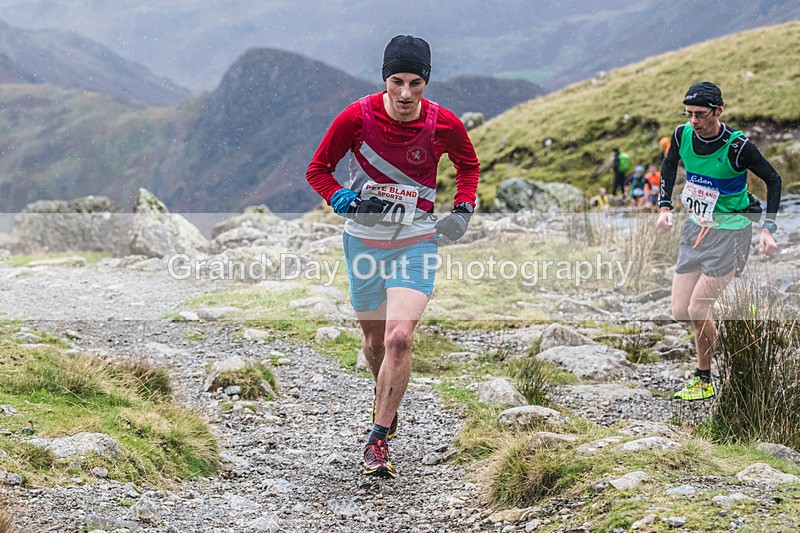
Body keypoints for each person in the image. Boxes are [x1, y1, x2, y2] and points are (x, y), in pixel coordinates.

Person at [306, 35, 480, 477]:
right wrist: (343, 200)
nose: (405, 93)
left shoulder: (444, 123)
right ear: (385, 79)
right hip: (364, 242)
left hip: (416, 240)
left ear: (426, 81)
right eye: (397, 82)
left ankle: (378, 438)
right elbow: (318, 170)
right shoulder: (356, 117)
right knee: (374, 342)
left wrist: (462, 210)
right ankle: (386, 395)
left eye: (415, 83)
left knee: (399, 337)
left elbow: (468, 166)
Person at [656, 81, 781, 401]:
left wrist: (768, 228)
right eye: (688, 113)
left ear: (718, 112)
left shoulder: (738, 147)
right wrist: (665, 207)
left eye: (700, 114)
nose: (693, 121)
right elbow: (669, 164)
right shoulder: (681, 135)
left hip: (731, 232)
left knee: (698, 308)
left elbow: (773, 179)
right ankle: (727, 313)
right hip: (695, 229)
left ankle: (704, 378)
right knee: (681, 311)